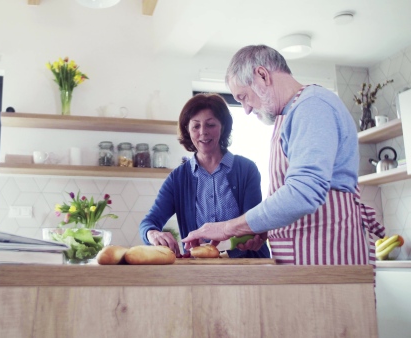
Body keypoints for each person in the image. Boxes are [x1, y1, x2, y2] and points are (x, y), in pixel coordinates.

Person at [182, 45, 385, 266]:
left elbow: (303, 193)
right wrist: (264, 229)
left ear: (262, 75)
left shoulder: (312, 106)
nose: (247, 109)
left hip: (328, 260)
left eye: (243, 97)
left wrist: (227, 226)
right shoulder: (289, 115)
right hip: (304, 261)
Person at [139, 93, 270, 259]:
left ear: (223, 127)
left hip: (246, 266)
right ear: (187, 130)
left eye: (211, 124)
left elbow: (253, 223)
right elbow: (148, 222)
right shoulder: (177, 179)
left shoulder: (246, 170)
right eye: (196, 126)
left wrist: (255, 237)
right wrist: (153, 234)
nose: (203, 132)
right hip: (198, 270)